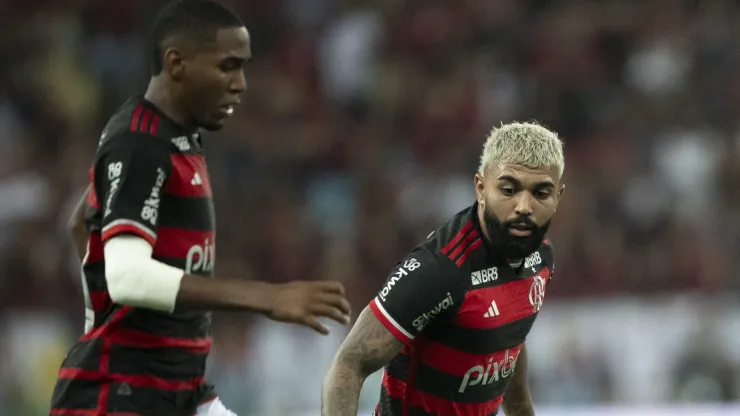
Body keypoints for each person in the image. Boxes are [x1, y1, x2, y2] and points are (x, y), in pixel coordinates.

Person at [51, 1, 351, 415]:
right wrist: (265, 297)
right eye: (227, 66)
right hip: (122, 394)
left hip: (178, 388)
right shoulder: (140, 142)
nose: (241, 83)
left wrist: (96, 326)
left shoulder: (176, 136)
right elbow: (125, 274)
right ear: (177, 64)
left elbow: (81, 225)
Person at [322, 121, 565, 416]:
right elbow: (349, 363)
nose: (524, 206)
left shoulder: (541, 257)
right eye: (508, 189)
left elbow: (509, 339)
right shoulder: (439, 270)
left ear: (558, 197)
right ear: (481, 188)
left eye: (541, 193)